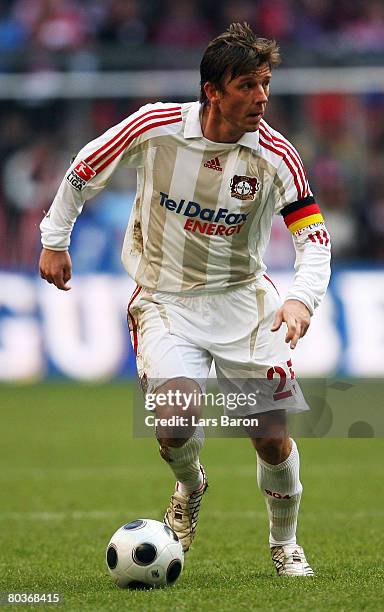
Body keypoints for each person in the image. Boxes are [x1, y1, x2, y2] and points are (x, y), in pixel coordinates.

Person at [39, 23, 331, 577]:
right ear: (213, 91)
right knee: (174, 420)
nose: (262, 97)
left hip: (244, 304)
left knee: (269, 438)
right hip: (166, 301)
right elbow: (84, 170)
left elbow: (312, 237)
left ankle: (284, 542)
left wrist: (302, 301)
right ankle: (191, 482)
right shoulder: (156, 128)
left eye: (266, 83)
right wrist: (54, 240)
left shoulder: (276, 156)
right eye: (248, 85)